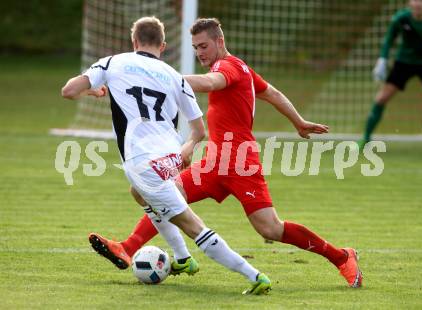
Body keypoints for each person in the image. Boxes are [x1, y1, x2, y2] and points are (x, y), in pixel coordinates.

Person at [90, 17, 363, 288]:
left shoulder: (228, 66)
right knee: (167, 191)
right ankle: (128, 247)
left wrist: (159, 79)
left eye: (203, 46)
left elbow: (210, 83)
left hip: (241, 162)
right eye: (195, 47)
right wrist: (299, 122)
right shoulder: (244, 68)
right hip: (213, 162)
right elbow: (275, 94)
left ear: (220, 41)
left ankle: (341, 257)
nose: (199, 53)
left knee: (270, 228)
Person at [62, 16, 271, 295]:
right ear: (163, 45)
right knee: (139, 194)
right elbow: (198, 130)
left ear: (134, 41)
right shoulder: (174, 76)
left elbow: (68, 91)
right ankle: (183, 259)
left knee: (193, 226)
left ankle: (255, 276)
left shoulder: (113, 62)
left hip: (144, 163)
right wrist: (185, 152)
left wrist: (91, 90)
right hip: (169, 157)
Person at [362, 0, 422, 147]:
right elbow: (389, 40)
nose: (419, 4)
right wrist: (382, 59)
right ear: (410, 3)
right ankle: (365, 139)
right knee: (381, 98)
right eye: (415, 0)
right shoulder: (401, 18)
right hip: (404, 62)